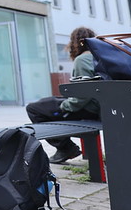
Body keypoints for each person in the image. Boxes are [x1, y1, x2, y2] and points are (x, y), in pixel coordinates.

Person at [26, 26, 99, 164]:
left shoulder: (82, 60)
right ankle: (65, 147)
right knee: (45, 103)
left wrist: (65, 106)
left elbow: (83, 96)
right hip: (99, 106)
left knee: (33, 109)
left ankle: (65, 147)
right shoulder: (98, 56)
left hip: (89, 108)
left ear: (75, 42)